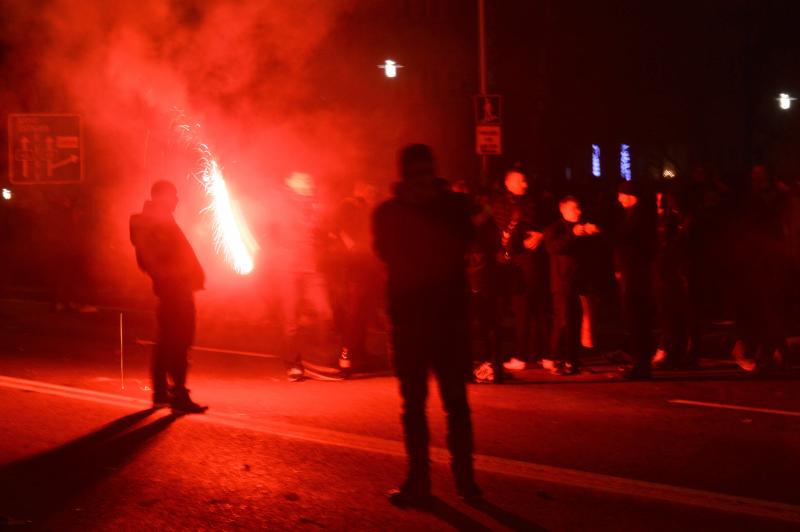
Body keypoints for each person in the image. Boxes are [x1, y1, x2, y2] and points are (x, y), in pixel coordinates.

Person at [373, 144, 480, 506]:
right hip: (414, 320)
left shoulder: (449, 207)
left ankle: (463, 481)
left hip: (444, 318)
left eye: (426, 173)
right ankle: (424, 480)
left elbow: (470, 239)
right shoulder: (391, 212)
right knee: (418, 405)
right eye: (416, 173)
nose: (422, 180)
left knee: (454, 403)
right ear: (406, 175)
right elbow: (388, 252)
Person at [130, 180, 208, 413]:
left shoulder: (160, 219)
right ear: (161, 196)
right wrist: (172, 277)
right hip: (174, 289)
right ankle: (177, 393)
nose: (177, 199)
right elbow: (151, 258)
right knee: (178, 340)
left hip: (177, 287)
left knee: (170, 341)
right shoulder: (151, 221)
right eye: (173, 195)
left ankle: (164, 393)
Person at [491, 168, 550, 372]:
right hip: (519, 262)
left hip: (529, 263)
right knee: (530, 309)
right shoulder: (501, 204)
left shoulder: (533, 202)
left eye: (525, 181)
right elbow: (505, 232)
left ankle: (525, 355)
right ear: (508, 183)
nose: (525, 185)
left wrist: (540, 235)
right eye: (520, 181)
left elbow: (547, 224)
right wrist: (525, 238)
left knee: (529, 309)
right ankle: (541, 354)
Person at [545, 196, 599, 375]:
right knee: (563, 321)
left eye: (579, 208)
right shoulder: (555, 229)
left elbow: (589, 254)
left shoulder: (581, 228)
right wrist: (573, 235)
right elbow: (554, 248)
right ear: (563, 209)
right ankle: (556, 358)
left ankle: (571, 359)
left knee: (575, 321)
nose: (579, 212)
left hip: (578, 282)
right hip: (562, 283)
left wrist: (594, 233)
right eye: (574, 208)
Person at [615, 181, 658, 380]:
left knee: (636, 318)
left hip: (635, 274)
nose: (619, 199)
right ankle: (641, 363)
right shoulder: (639, 215)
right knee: (638, 319)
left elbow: (627, 242)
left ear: (631, 196)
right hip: (636, 272)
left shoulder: (637, 217)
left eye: (621, 195)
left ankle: (640, 365)